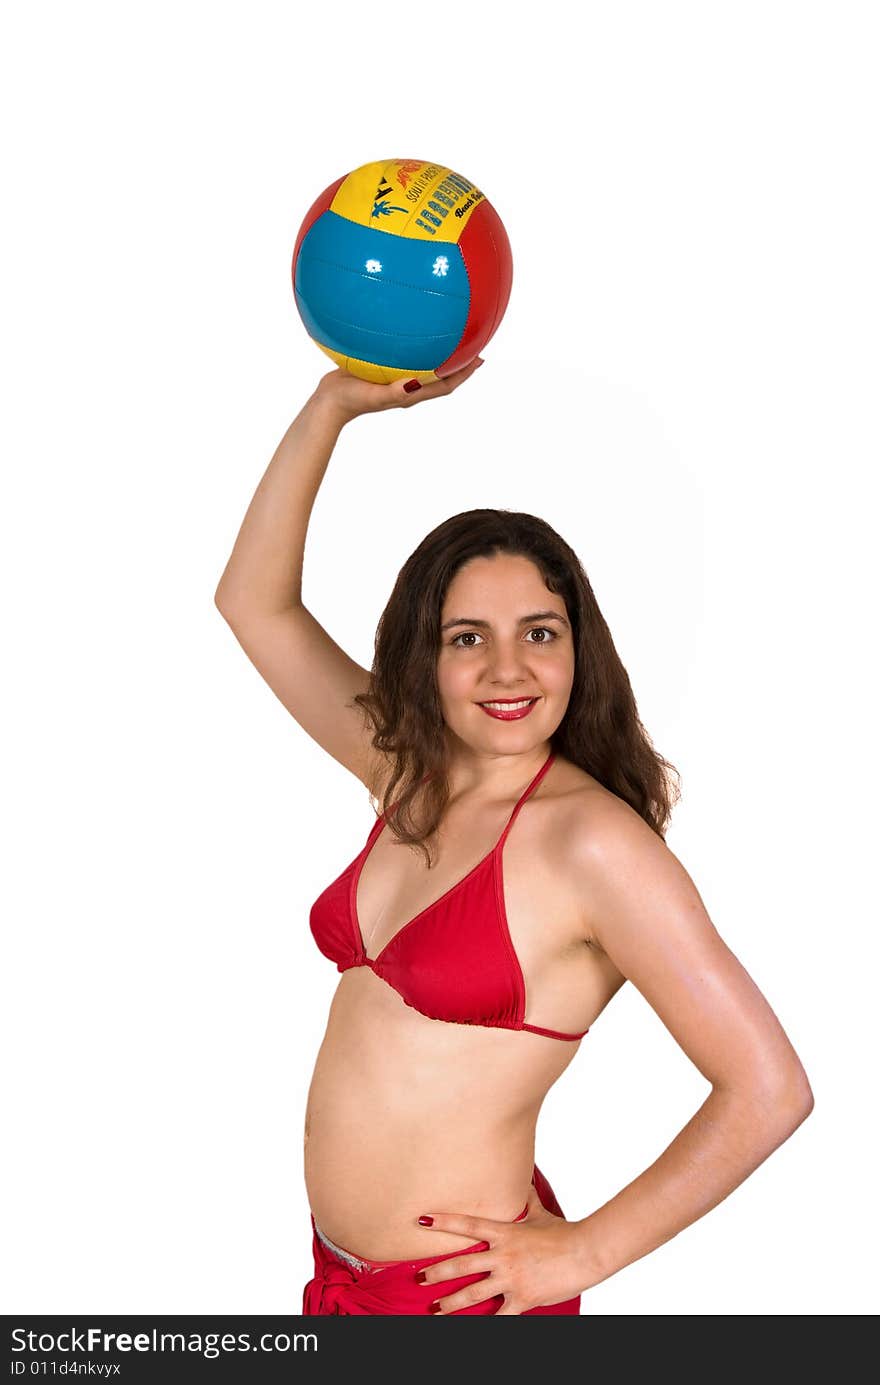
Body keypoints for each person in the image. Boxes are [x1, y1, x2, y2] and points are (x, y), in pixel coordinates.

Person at [214, 359, 814, 1316]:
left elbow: (769, 1088)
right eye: (466, 638)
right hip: (338, 1282)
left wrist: (580, 1256)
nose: (507, 667)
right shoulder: (408, 775)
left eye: (540, 632)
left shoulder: (595, 847)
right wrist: (332, 405)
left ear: (581, 646)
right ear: (427, 655)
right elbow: (254, 603)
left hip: (461, 1307)